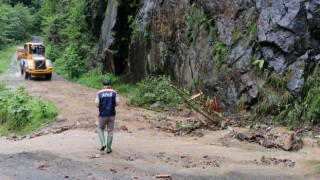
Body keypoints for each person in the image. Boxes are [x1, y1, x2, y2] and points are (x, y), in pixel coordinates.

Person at [95, 80, 120, 153]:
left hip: (102, 114)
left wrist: (102, 106)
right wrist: (112, 106)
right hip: (112, 114)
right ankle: (109, 148)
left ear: (102, 85)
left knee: (100, 128)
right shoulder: (114, 92)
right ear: (109, 85)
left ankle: (103, 144)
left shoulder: (99, 93)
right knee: (110, 131)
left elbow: (96, 105)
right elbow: (118, 103)